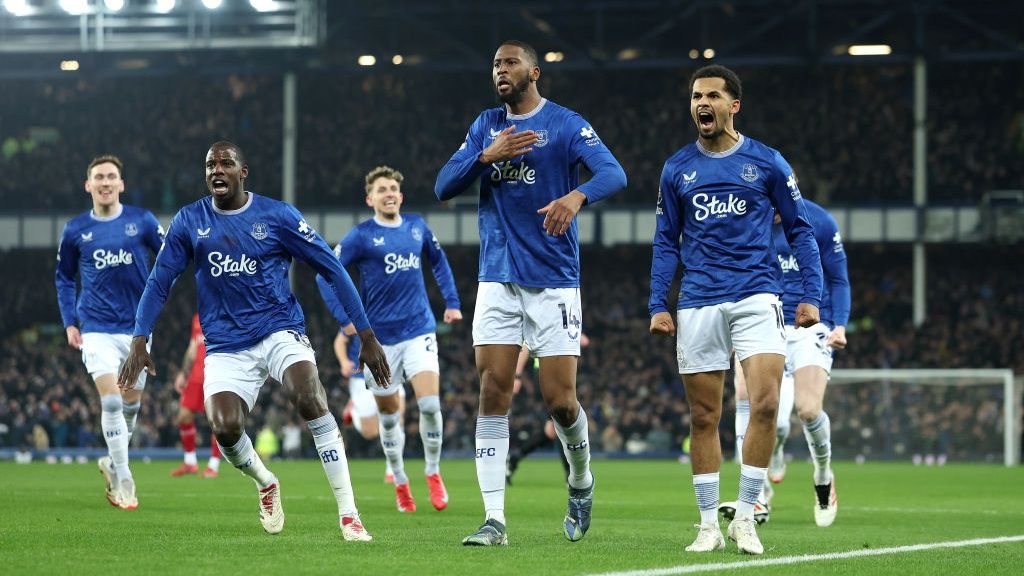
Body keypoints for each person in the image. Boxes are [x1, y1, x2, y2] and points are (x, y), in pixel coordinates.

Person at [116, 141, 391, 541]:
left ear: (243, 172)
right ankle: (265, 482)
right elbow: (160, 281)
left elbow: (332, 268)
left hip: (278, 329)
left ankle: (349, 515)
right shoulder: (190, 220)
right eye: (210, 164)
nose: (217, 170)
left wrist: (366, 334)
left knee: (310, 397)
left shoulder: (277, 216)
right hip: (226, 344)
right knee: (225, 428)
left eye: (226, 163)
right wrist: (140, 339)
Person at [435, 40, 627, 546]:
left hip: (554, 281)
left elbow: (614, 172)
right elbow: (442, 186)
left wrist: (576, 195)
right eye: (495, 63)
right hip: (496, 278)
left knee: (560, 403)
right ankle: (494, 520)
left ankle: (581, 480)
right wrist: (484, 156)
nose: (500, 70)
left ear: (534, 71)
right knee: (492, 393)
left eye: (510, 62)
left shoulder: (565, 124)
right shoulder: (485, 126)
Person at [648, 65, 823, 555]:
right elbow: (665, 240)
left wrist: (810, 295)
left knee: (765, 405)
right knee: (704, 415)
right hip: (699, 300)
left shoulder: (767, 162)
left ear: (733, 105)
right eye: (695, 96)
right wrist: (658, 302)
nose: (701, 103)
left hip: (757, 294)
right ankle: (707, 525)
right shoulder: (676, 168)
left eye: (711, 96)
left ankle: (745, 517)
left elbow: (800, 230)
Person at [316, 165, 462, 513]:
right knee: (389, 417)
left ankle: (432, 472)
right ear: (371, 199)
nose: (389, 193)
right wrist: (345, 318)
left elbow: (439, 262)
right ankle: (399, 480)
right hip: (379, 343)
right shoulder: (361, 237)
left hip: (419, 330)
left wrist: (452, 302)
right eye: (382, 189)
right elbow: (326, 275)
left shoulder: (417, 227)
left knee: (429, 404)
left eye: (394, 188)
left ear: (401, 195)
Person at [721, 200, 849, 527]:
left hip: (812, 325)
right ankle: (757, 495)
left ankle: (823, 477)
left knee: (807, 410)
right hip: (766, 321)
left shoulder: (819, 220)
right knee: (750, 400)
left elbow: (838, 278)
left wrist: (840, 325)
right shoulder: (750, 219)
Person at [55, 154, 164, 510]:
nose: (104, 182)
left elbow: (169, 259)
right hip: (96, 328)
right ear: (88, 185)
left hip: (137, 330)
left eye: (111, 176)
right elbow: (64, 278)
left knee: (130, 409)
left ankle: (112, 461)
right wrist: (70, 321)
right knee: (114, 400)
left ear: (121, 184)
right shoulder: (75, 230)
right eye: (98, 177)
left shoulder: (142, 221)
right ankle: (125, 480)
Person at [506, 333, 590, 485]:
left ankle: (513, 459)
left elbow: (583, 341)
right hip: (548, 375)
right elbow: (525, 347)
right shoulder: (545, 317)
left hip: (555, 374)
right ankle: (570, 475)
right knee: (561, 424)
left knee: (550, 431)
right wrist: (517, 376)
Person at [332, 323, 405, 484]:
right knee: (370, 432)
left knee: (397, 419)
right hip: (361, 377)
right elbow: (339, 340)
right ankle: (354, 411)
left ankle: (392, 468)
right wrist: (344, 362)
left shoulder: (393, 311)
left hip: (391, 372)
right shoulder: (356, 315)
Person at [169, 313, 222, 478]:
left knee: (217, 421)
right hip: (195, 377)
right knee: (183, 416)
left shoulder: (226, 312)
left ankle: (213, 465)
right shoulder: (197, 317)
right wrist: (183, 374)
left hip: (215, 373)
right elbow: (193, 346)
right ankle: (190, 462)